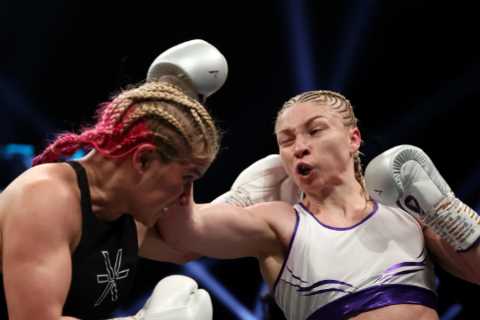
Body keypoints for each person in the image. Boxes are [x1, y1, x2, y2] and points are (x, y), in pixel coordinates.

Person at [157, 90, 480, 320]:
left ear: (353, 139)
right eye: (286, 140)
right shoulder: (279, 222)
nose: (299, 147)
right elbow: (184, 231)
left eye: (314, 130)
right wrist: (177, 135)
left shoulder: (406, 214)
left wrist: (443, 209)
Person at [0, 39, 226, 319]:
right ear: (142, 160)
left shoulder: (129, 213)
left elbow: (186, 247)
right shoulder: (45, 199)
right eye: (187, 178)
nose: (184, 195)